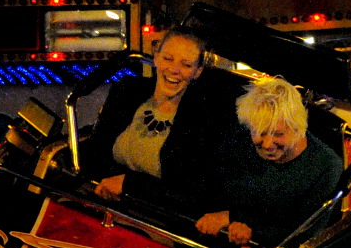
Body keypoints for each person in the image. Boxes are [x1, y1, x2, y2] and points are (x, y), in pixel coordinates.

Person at [82, 26, 241, 206]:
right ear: (156, 57)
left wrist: (129, 184)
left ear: (198, 71)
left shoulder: (207, 118)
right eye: (168, 59)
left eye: (186, 65)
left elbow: (194, 191)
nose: (174, 69)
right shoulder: (127, 91)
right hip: (104, 201)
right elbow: (96, 152)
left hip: (157, 215)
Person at [194, 77, 342, 248]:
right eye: (260, 133)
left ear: (298, 129)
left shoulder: (326, 166)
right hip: (218, 243)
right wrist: (230, 222)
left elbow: (303, 234)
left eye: (278, 134)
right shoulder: (239, 139)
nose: (267, 144)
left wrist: (241, 223)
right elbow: (212, 189)